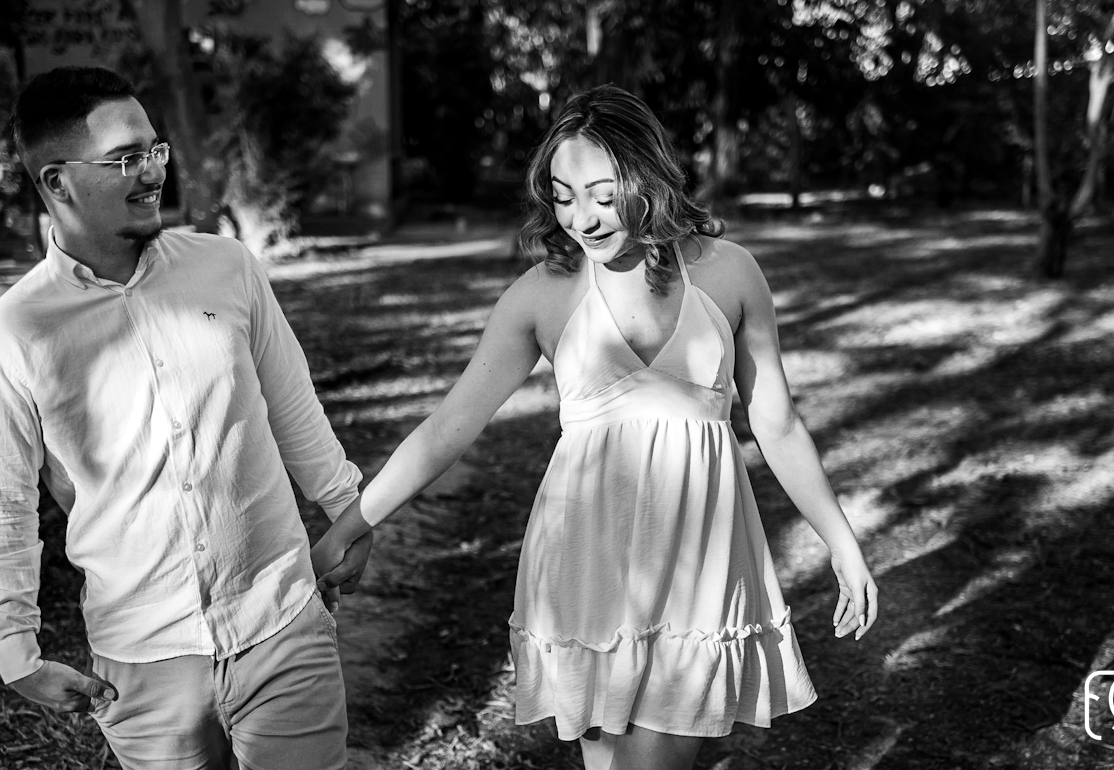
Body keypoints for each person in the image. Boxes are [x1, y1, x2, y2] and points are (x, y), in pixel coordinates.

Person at [313, 84, 879, 770]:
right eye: (563, 196)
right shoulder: (543, 293)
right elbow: (448, 427)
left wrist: (841, 541)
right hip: (585, 564)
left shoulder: (729, 273)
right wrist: (351, 523)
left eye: (603, 196)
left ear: (648, 179)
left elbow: (777, 422)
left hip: (698, 564)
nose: (581, 217)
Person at [0, 66, 372, 769]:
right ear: (57, 182)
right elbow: (7, 503)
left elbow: (291, 402)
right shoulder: (17, 331)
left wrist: (346, 508)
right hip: (141, 665)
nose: (152, 173)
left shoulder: (228, 266)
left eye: (154, 150)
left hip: (281, 622)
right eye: (124, 159)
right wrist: (14, 650)